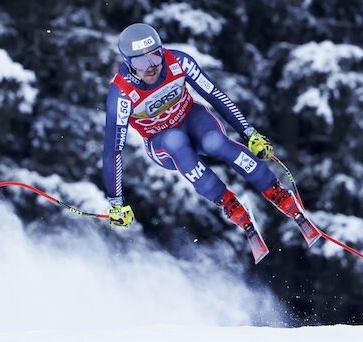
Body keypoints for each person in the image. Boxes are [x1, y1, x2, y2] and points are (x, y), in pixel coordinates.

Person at [103, 23, 303, 240]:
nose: (151, 67)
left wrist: (249, 133)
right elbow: (113, 150)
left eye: (155, 57)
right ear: (128, 63)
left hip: (192, 120)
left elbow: (214, 95)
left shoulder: (179, 62)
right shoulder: (121, 95)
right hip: (161, 143)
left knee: (215, 142)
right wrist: (116, 201)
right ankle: (227, 202)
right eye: (141, 62)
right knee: (175, 139)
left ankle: (274, 189)